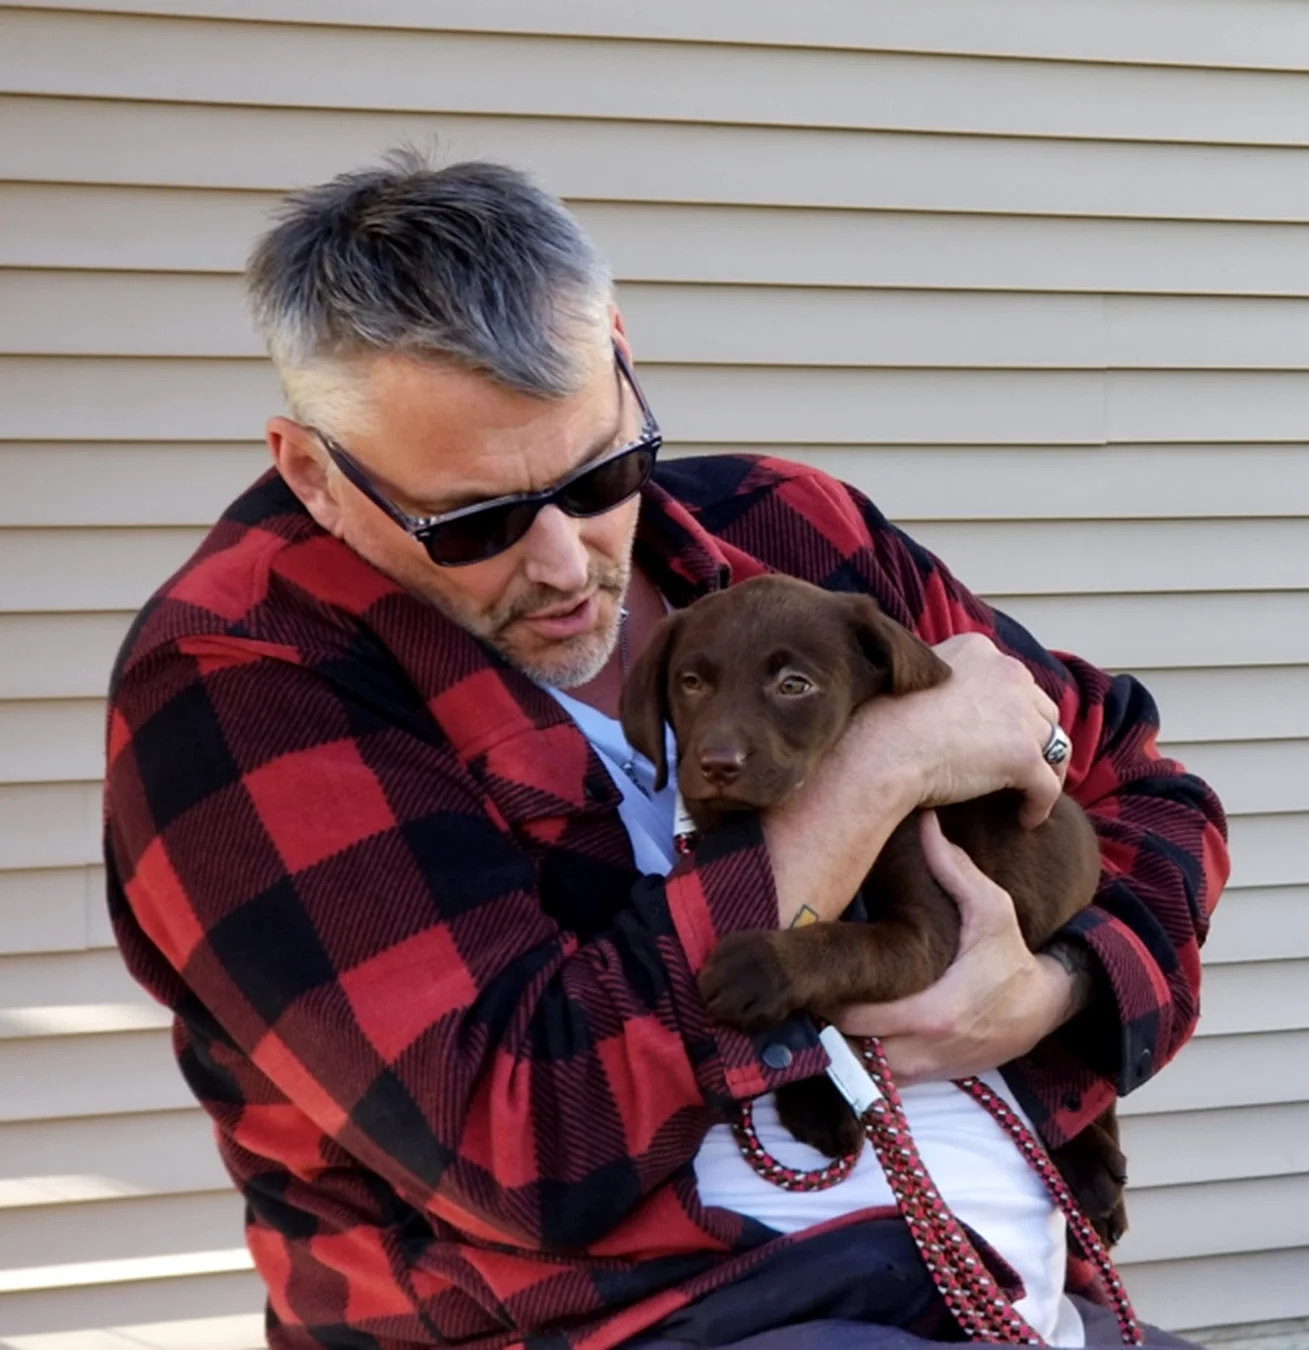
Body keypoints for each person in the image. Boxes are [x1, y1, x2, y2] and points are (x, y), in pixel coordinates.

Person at [101, 151, 1229, 1349]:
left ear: (625, 358)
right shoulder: (241, 682)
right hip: (622, 1323)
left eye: (601, 474)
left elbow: (1146, 797)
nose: (563, 560)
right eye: (475, 522)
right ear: (314, 475)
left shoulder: (789, 529)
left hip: (1004, 1279)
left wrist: (1047, 990)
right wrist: (875, 777)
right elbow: (526, 1134)